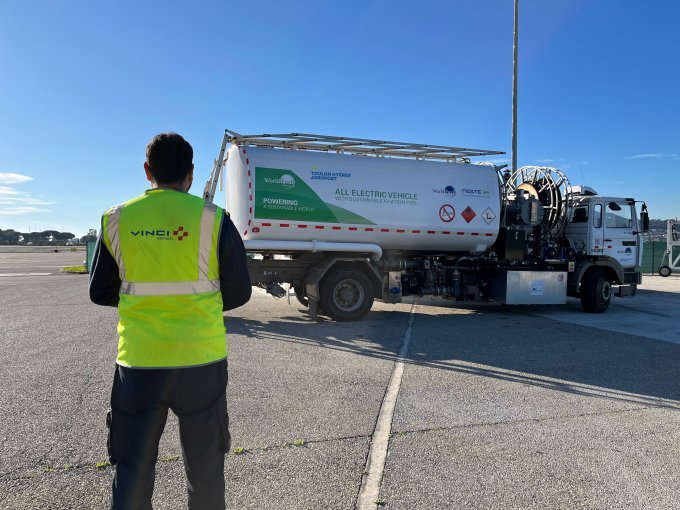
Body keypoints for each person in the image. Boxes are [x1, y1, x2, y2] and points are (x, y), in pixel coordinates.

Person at [89, 132, 252, 509]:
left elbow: (99, 291)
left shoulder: (116, 219)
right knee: (205, 469)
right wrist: (198, 307)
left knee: (133, 469)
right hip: (202, 361)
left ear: (148, 171)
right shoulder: (214, 220)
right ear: (191, 174)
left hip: (140, 363)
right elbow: (240, 291)